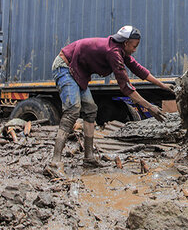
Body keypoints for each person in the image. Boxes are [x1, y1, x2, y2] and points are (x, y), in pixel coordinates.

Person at [50, 25, 173, 168]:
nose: (135, 50)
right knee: (72, 111)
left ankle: (88, 158)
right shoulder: (113, 52)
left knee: (90, 110)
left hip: (78, 72)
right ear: (126, 43)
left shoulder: (121, 51)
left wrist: (163, 85)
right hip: (65, 67)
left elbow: (139, 70)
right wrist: (149, 107)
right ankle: (55, 161)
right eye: (134, 46)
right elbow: (126, 87)